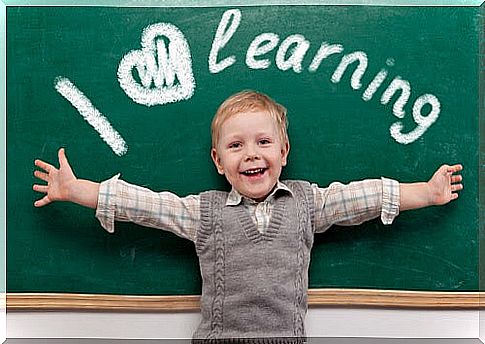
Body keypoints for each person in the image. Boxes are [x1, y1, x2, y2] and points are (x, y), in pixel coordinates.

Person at [33, 90, 463, 343]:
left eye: (263, 142)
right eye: (236, 146)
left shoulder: (307, 203)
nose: (252, 153)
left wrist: (425, 192)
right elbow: (145, 206)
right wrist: (77, 190)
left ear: (283, 152)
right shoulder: (204, 212)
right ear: (219, 162)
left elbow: (363, 198)